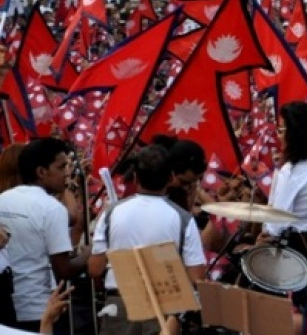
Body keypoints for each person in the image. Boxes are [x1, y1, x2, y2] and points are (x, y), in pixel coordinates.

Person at [88, 144, 206, 335]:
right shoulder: (183, 219)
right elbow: (198, 277)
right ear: (170, 178)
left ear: (135, 177)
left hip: (120, 303)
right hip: (165, 309)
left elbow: (95, 269)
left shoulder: (111, 213)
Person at [0, 138, 90, 332]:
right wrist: (88, 254)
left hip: (7, 307)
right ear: (41, 172)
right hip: (40, 311)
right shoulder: (52, 209)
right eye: (61, 167)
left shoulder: (3, 199)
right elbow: (63, 270)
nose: (67, 173)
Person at [262, 101, 307, 259]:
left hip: (298, 252)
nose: (278, 137)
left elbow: (275, 226)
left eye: (281, 131)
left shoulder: (291, 172)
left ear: (294, 134)